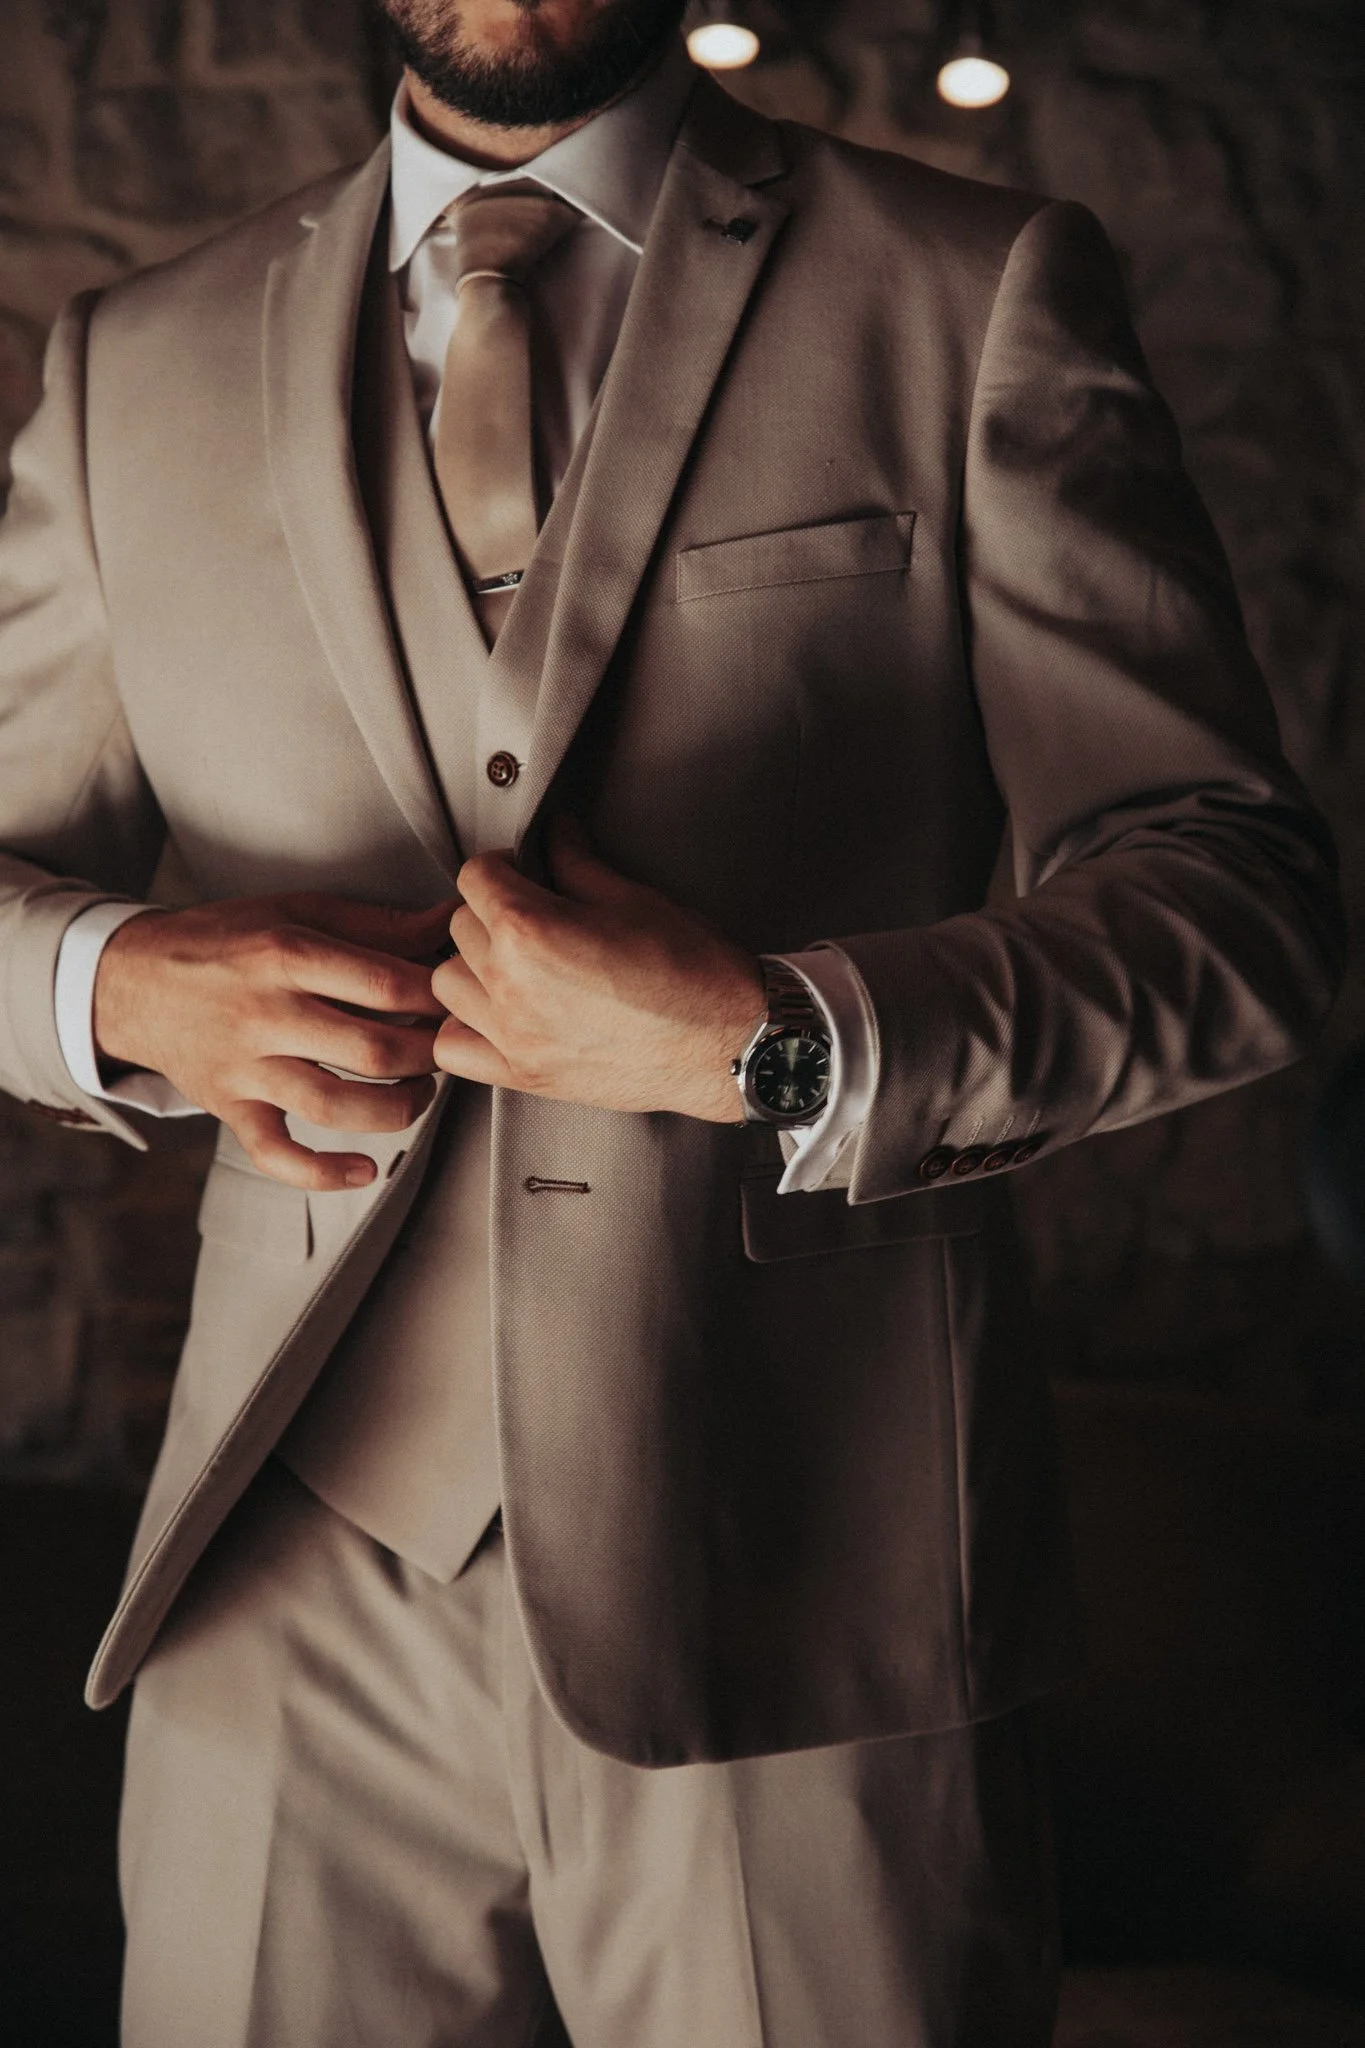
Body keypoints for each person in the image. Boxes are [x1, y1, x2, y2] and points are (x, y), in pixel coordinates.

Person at [0, 1, 1344, 2041]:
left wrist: (775, 1041)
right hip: (284, 1593)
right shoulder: (128, 361)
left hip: (806, 1597)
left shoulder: (968, 290)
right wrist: (116, 985)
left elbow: (1240, 905)